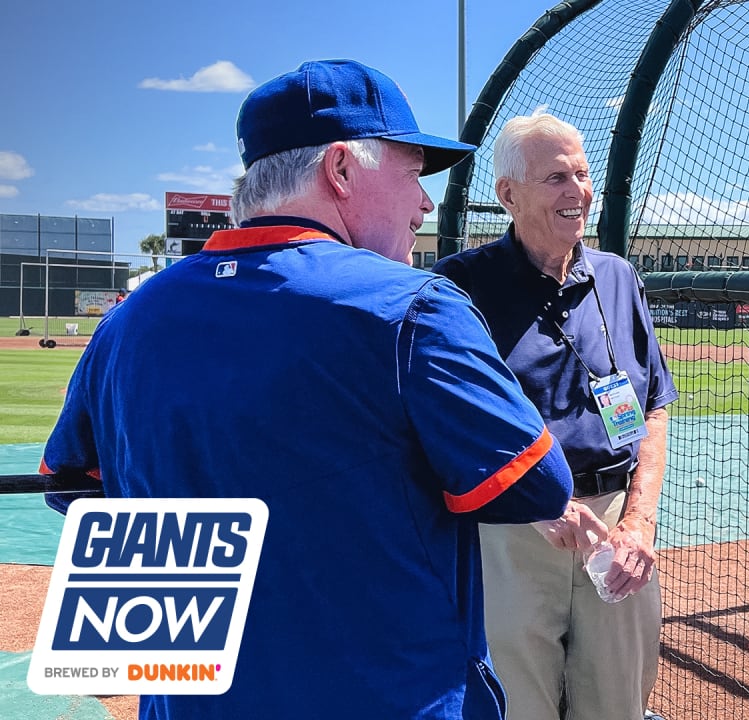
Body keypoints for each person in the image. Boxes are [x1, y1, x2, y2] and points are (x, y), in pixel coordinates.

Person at [40, 59, 575, 719]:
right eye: (412, 174)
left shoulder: (131, 318)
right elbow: (537, 484)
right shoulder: (414, 306)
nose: (425, 203)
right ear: (341, 170)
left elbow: (74, 485)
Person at [433, 110, 678, 720]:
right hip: (512, 534)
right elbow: (442, 424)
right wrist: (532, 499)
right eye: (555, 178)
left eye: (583, 174)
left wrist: (640, 521)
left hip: (616, 527)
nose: (578, 193)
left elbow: (652, 406)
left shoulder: (618, 277)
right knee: (517, 705)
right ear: (508, 195)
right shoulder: (459, 286)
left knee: (618, 703)